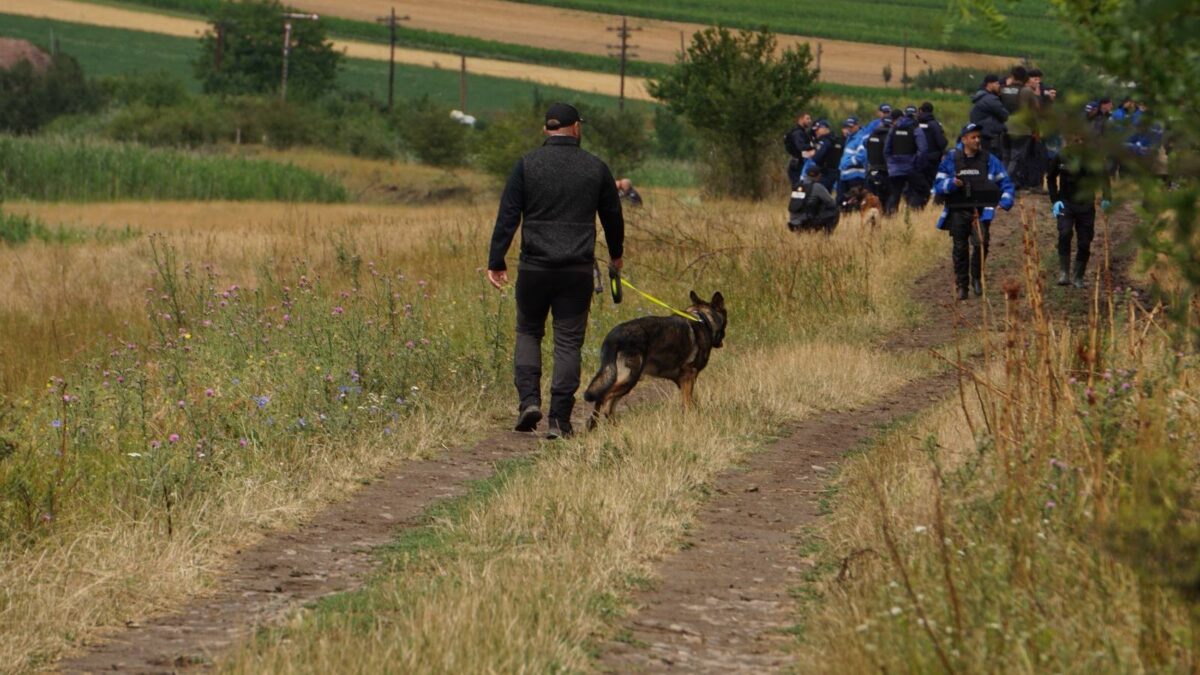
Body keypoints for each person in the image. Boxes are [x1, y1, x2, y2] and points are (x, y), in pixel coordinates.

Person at [487, 102, 625, 439]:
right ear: (575, 128)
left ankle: (529, 403)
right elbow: (613, 217)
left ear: (546, 130)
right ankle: (559, 421)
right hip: (576, 271)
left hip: (535, 267)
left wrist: (496, 260)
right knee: (567, 343)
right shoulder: (595, 168)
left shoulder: (526, 165)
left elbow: (508, 217)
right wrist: (617, 256)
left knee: (529, 332)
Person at [933, 123, 1015, 300]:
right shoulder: (951, 159)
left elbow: (1006, 183)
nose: (977, 140)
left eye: (979, 137)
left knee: (981, 243)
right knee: (960, 248)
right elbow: (938, 186)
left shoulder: (989, 159)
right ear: (964, 139)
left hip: (981, 210)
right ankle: (962, 286)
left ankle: (977, 278)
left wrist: (1006, 200)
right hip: (957, 210)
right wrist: (951, 184)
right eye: (973, 137)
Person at [1047, 136, 1112, 288]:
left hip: (1086, 205)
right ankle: (1064, 273)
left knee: (1084, 242)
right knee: (1064, 233)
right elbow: (1050, 177)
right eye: (1076, 140)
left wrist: (1106, 197)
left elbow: (1104, 179)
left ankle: (1078, 276)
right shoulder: (1061, 156)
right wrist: (1055, 199)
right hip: (1066, 203)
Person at [884, 107, 930, 211]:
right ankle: (914, 212)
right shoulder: (916, 129)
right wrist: (917, 164)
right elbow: (923, 149)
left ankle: (890, 218)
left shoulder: (894, 128)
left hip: (895, 169)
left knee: (895, 194)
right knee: (922, 189)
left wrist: (891, 164)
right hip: (911, 167)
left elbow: (886, 149)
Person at [1005, 69, 1042, 191]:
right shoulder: (1027, 91)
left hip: (1004, 127)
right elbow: (1034, 111)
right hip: (1021, 129)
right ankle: (1006, 184)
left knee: (1005, 157)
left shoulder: (1004, 89)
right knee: (1016, 159)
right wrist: (1035, 129)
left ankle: (1005, 181)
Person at [787, 166, 839, 234]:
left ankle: (800, 233)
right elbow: (832, 203)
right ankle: (826, 237)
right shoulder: (817, 187)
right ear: (818, 176)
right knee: (835, 211)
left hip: (793, 222)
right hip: (806, 222)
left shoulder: (797, 185)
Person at [970, 74, 1009, 159]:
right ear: (990, 84)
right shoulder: (991, 99)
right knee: (993, 160)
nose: (999, 86)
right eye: (997, 84)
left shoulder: (981, 96)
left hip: (982, 133)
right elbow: (1005, 115)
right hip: (990, 135)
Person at [863, 112, 893, 212]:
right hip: (885, 171)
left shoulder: (872, 135)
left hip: (871, 170)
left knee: (872, 199)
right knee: (886, 198)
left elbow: (865, 144)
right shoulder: (889, 136)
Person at [803, 120, 841, 192]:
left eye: (818, 129)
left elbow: (817, 157)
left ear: (824, 128)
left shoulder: (824, 141)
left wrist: (813, 155)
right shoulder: (837, 139)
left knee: (819, 195)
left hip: (824, 173)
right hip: (836, 171)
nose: (816, 132)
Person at [836, 117, 867, 206]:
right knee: (842, 199)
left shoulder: (860, 138)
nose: (849, 129)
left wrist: (847, 164)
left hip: (855, 175)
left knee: (854, 200)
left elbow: (861, 156)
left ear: (857, 125)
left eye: (851, 127)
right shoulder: (850, 137)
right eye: (847, 127)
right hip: (845, 174)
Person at [917, 102, 948, 188]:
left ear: (921, 110)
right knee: (933, 183)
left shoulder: (915, 124)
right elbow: (942, 142)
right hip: (933, 159)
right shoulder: (935, 124)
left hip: (918, 159)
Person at [784, 112, 815, 187]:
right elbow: (801, 147)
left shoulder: (803, 132)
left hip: (800, 163)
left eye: (810, 119)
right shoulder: (797, 133)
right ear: (800, 119)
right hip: (797, 164)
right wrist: (813, 146)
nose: (809, 121)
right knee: (798, 188)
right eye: (807, 118)